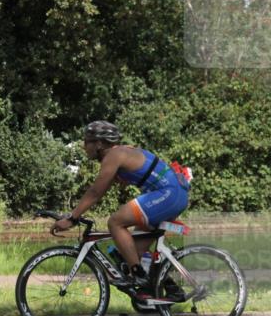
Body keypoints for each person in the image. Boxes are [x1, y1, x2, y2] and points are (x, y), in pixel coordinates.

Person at [51, 120, 189, 305]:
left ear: (99, 143)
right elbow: (98, 191)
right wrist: (72, 214)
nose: (84, 147)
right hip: (172, 195)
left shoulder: (115, 155)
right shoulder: (119, 154)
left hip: (168, 194)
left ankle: (137, 276)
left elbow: (94, 193)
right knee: (131, 252)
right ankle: (169, 289)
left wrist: (72, 218)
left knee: (115, 222)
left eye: (87, 141)